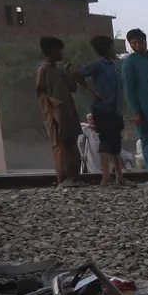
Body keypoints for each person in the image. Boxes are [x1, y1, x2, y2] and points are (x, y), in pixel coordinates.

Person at [75, 35, 127, 186]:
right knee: (105, 142)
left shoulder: (113, 66)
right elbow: (78, 74)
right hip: (103, 109)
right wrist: (92, 91)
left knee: (116, 143)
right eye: (112, 47)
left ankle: (119, 177)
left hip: (115, 110)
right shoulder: (98, 65)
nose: (114, 50)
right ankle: (105, 178)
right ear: (107, 49)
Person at [35, 36, 84, 187]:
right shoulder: (43, 70)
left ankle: (74, 177)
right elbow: (40, 92)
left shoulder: (59, 71)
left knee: (72, 146)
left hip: (68, 113)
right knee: (60, 147)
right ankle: (62, 180)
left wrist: (68, 71)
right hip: (55, 116)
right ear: (53, 51)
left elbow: (73, 88)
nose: (62, 53)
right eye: (60, 50)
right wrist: (50, 100)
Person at [121, 29, 148, 171]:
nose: (138, 45)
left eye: (140, 42)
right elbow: (129, 88)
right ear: (130, 45)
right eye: (134, 43)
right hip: (143, 107)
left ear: (145, 41)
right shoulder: (129, 63)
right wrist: (136, 111)